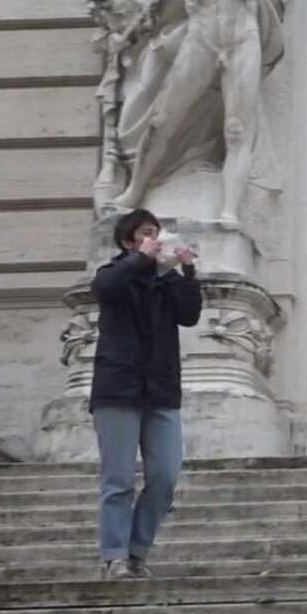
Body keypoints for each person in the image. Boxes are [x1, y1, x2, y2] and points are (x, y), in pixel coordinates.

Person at [89, 209, 202, 580]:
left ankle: (138, 550)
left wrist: (184, 270)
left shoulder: (164, 281)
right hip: (117, 388)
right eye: (146, 234)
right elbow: (105, 290)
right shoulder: (114, 275)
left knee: (166, 475)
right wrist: (142, 259)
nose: (156, 239)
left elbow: (189, 315)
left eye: (157, 233)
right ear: (129, 241)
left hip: (161, 390)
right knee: (119, 478)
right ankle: (114, 556)